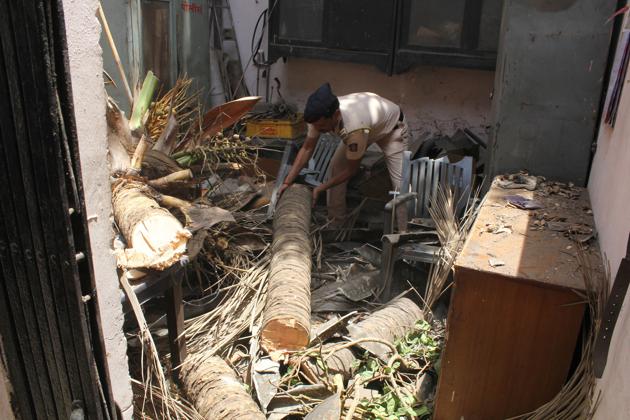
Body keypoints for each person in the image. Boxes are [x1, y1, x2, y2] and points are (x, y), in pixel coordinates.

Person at [280, 83, 409, 230]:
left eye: (321, 126)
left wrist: (320, 188)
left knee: (400, 184)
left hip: (391, 129)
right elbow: (307, 148)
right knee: (335, 167)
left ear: (336, 115)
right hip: (367, 123)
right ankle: (336, 224)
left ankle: (404, 232)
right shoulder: (317, 117)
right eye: (315, 126)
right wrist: (287, 182)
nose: (318, 130)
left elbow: (350, 170)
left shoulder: (354, 129)